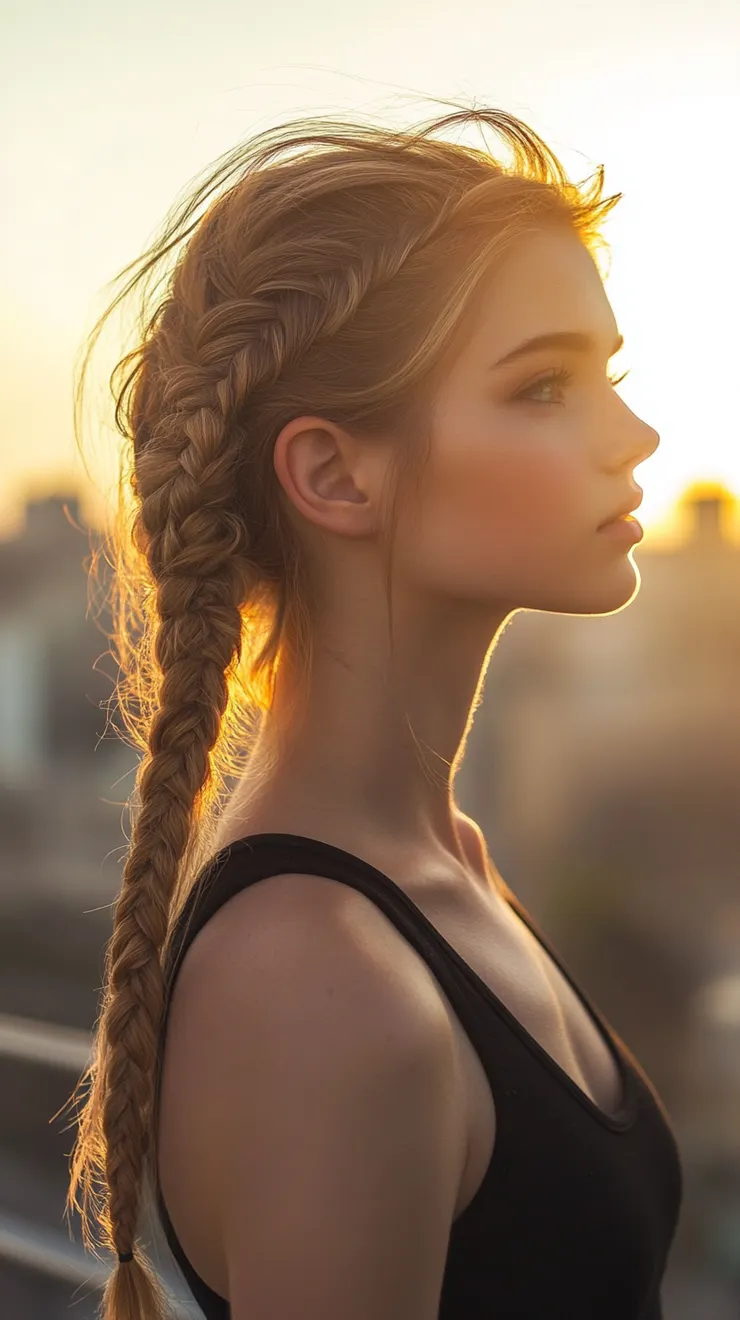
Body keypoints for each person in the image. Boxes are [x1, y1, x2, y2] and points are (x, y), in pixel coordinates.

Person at [62, 101, 681, 1320]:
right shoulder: (321, 982)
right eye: (544, 387)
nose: (637, 435)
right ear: (335, 474)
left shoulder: (442, 869)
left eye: (606, 375)